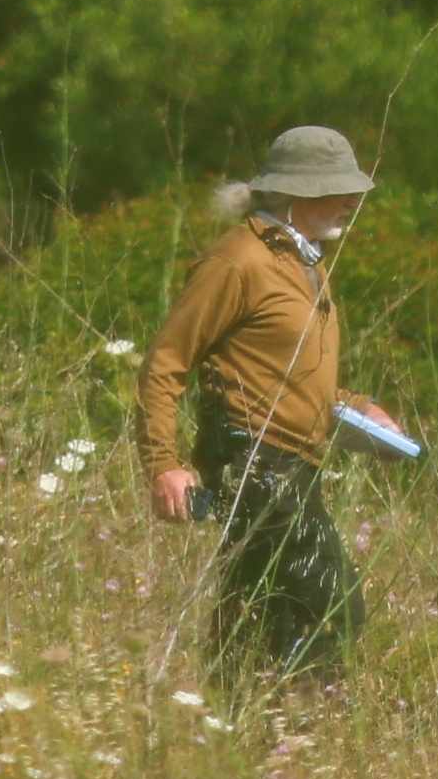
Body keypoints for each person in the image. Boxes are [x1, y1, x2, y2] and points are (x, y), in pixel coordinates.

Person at [138, 124, 374, 679]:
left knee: (264, 614)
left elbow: (288, 375)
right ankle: (297, 730)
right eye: (336, 188)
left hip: (294, 464)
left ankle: (238, 736)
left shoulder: (305, 263)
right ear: (295, 194)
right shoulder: (238, 261)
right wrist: (164, 466)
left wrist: (361, 412)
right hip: (254, 461)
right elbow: (165, 364)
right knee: (331, 603)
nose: (351, 201)